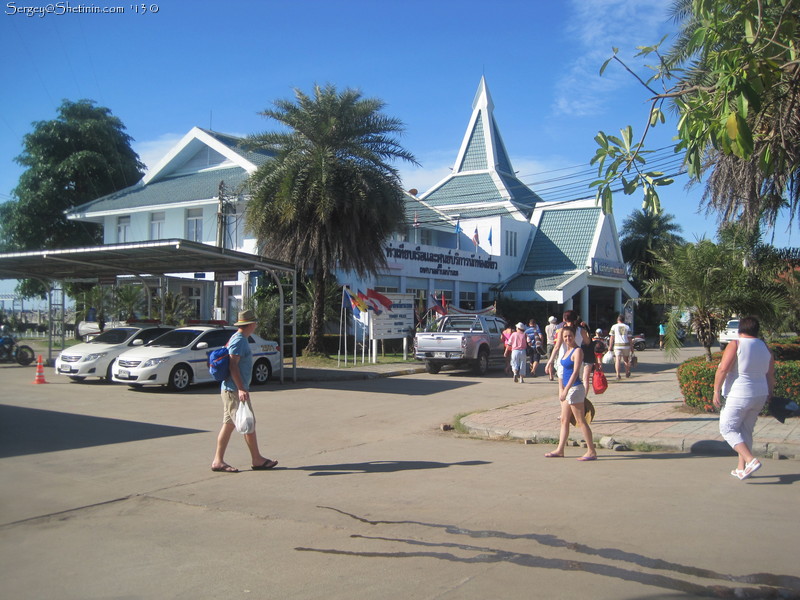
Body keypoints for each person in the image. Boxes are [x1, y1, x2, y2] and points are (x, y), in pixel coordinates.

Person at [211, 310, 278, 473]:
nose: (256, 325)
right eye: (255, 323)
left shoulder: (239, 338)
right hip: (234, 390)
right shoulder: (239, 340)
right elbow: (233, 365)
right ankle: (257, 459)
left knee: (228, 425)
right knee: (248, 422)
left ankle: (218, 461)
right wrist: (241, 388)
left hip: (230, 389)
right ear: (251, 324)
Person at [712, 316, 774, 480]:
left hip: (739, 394)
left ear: (740, 329)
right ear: (756, 330)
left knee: (727, 428)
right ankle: (742, 468)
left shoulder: (736, 344)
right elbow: (770, 374)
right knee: (745, 430)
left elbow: (723, 369)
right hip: (760, 393)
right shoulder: (765, 347)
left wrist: (716, 391)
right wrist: (770, 393)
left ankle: (750, 460)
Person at [544, 325, 597, 461]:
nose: (567, 338)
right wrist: (561, 389)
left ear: (574, 337)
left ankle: (591, 451)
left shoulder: (577, 351)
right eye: (565, 336)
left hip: (575, 389)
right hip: (567, 390)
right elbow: (563, 373)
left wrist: (566, 390)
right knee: (564, 420)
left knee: (581, 421)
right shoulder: (566, 351)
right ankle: (560, 449)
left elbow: (575, 372)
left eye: (570, 336)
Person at [609, 314, 633, 380]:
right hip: (626, 345)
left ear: (618, 320)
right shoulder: (627, 327)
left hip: (617, 345)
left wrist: (610, 346)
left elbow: (611, 337)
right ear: (623, 320)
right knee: (626, 360)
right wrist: (632, 348)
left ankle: (618, 375)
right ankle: (627, 372)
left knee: (617, 360)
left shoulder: (614, 326)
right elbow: (630, 338)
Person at [545, 316, 559, 381]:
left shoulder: (547, 327)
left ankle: (551, 375)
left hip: (549, 343)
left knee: (550, 360)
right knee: (557, 359)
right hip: (556, 343)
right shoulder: (557, 327)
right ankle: (558, 372)